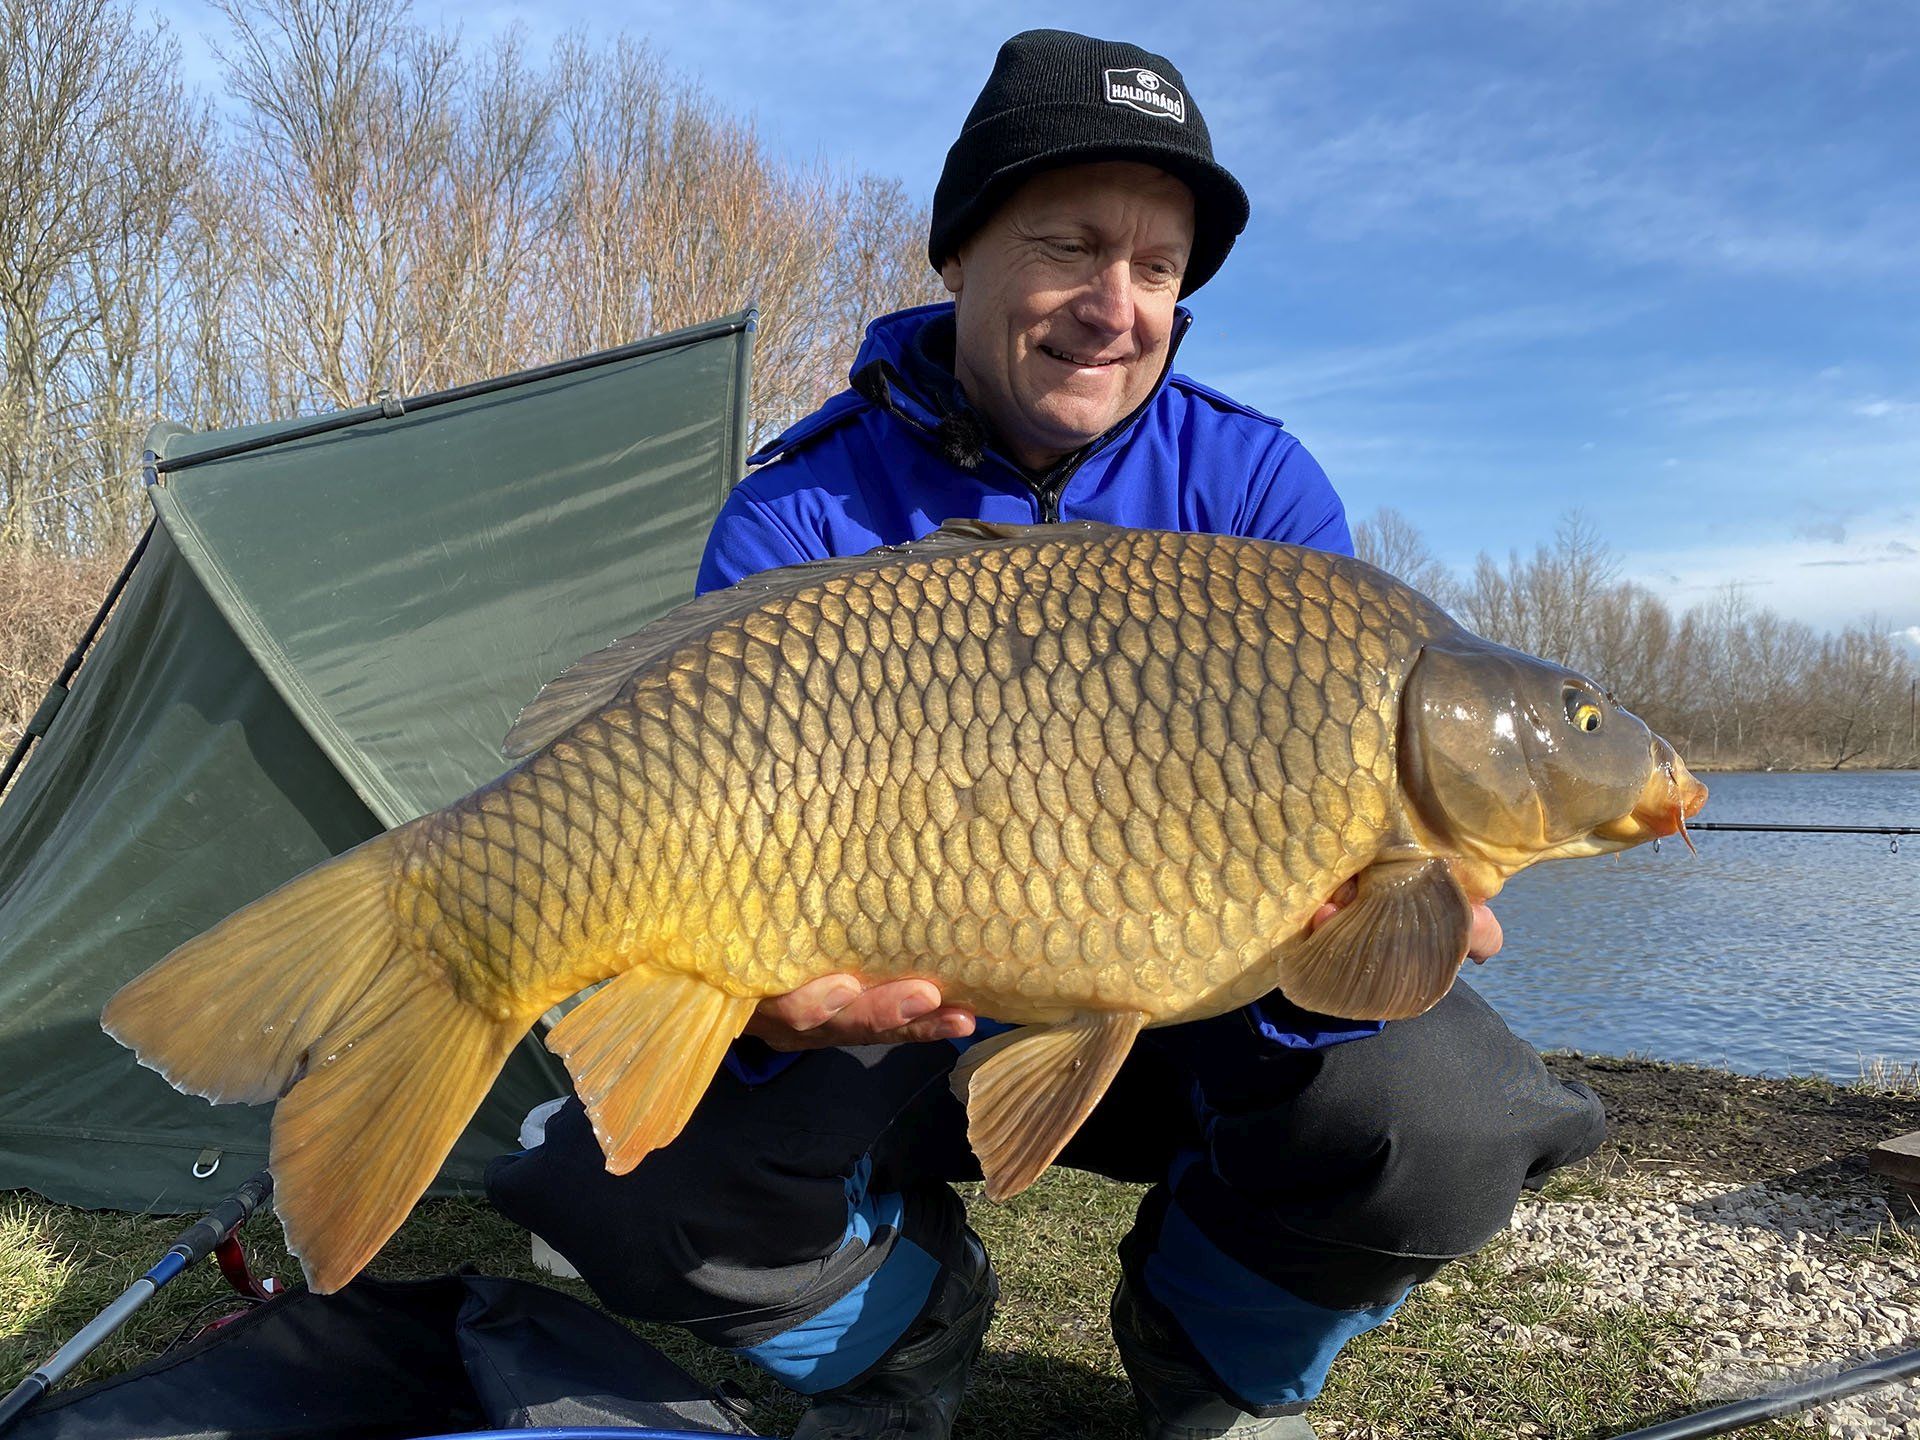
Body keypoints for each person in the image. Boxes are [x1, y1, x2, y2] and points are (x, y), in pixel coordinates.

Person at [488, 29, 1607, 1440]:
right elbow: (708, 835)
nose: (1115, 306)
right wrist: (763, 1011)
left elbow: (1335, 918)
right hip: (892, 1019)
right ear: (959, 251)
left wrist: (1358, 938)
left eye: (1157, 269)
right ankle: (897, 1332)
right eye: (1072, 246)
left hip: (1186, 1020)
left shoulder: (1259, 490)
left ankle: (1206, 1347)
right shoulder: (797, 512)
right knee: (618, 1193)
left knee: (1443, 1119)